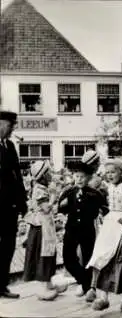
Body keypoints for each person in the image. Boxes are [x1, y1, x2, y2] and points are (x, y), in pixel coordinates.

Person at [85, 159, 122, 311]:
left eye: (113, 172)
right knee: (102, 256)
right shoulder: (110, 187)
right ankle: (103, 297)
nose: (109, 175)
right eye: (108, 172)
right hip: (110, 225)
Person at [58, 162, 108, 297]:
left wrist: (102, 215)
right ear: (73, 176)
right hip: (71, 229)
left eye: (82, 177)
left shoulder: (95, 193)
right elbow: (60, 207)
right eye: (77, 176)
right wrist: (63, 206)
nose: (79, 179)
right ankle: (84, 281)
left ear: (88, 178)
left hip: (87, 230)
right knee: (68, 259)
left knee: (88, 258)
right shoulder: (69, 192)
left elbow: (105, 208)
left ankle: (88, 289)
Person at [23, 161, 67, 300]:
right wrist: (55, 195)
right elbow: (46, 207)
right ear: (42, 175)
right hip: (41, 227)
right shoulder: (39, 189)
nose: (51, 174)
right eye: (48, 172)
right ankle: (42, 287)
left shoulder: (42, 186)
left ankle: (48, 283)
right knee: (43, 255)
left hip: (46, 225)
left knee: (49, 253)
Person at [0, 111, 28, 299]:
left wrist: (22, 202)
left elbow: (17, 177)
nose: (12, 129)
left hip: (9, 208)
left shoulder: (10, 146)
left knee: (8, 246)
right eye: (11, 125)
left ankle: (1, 285)